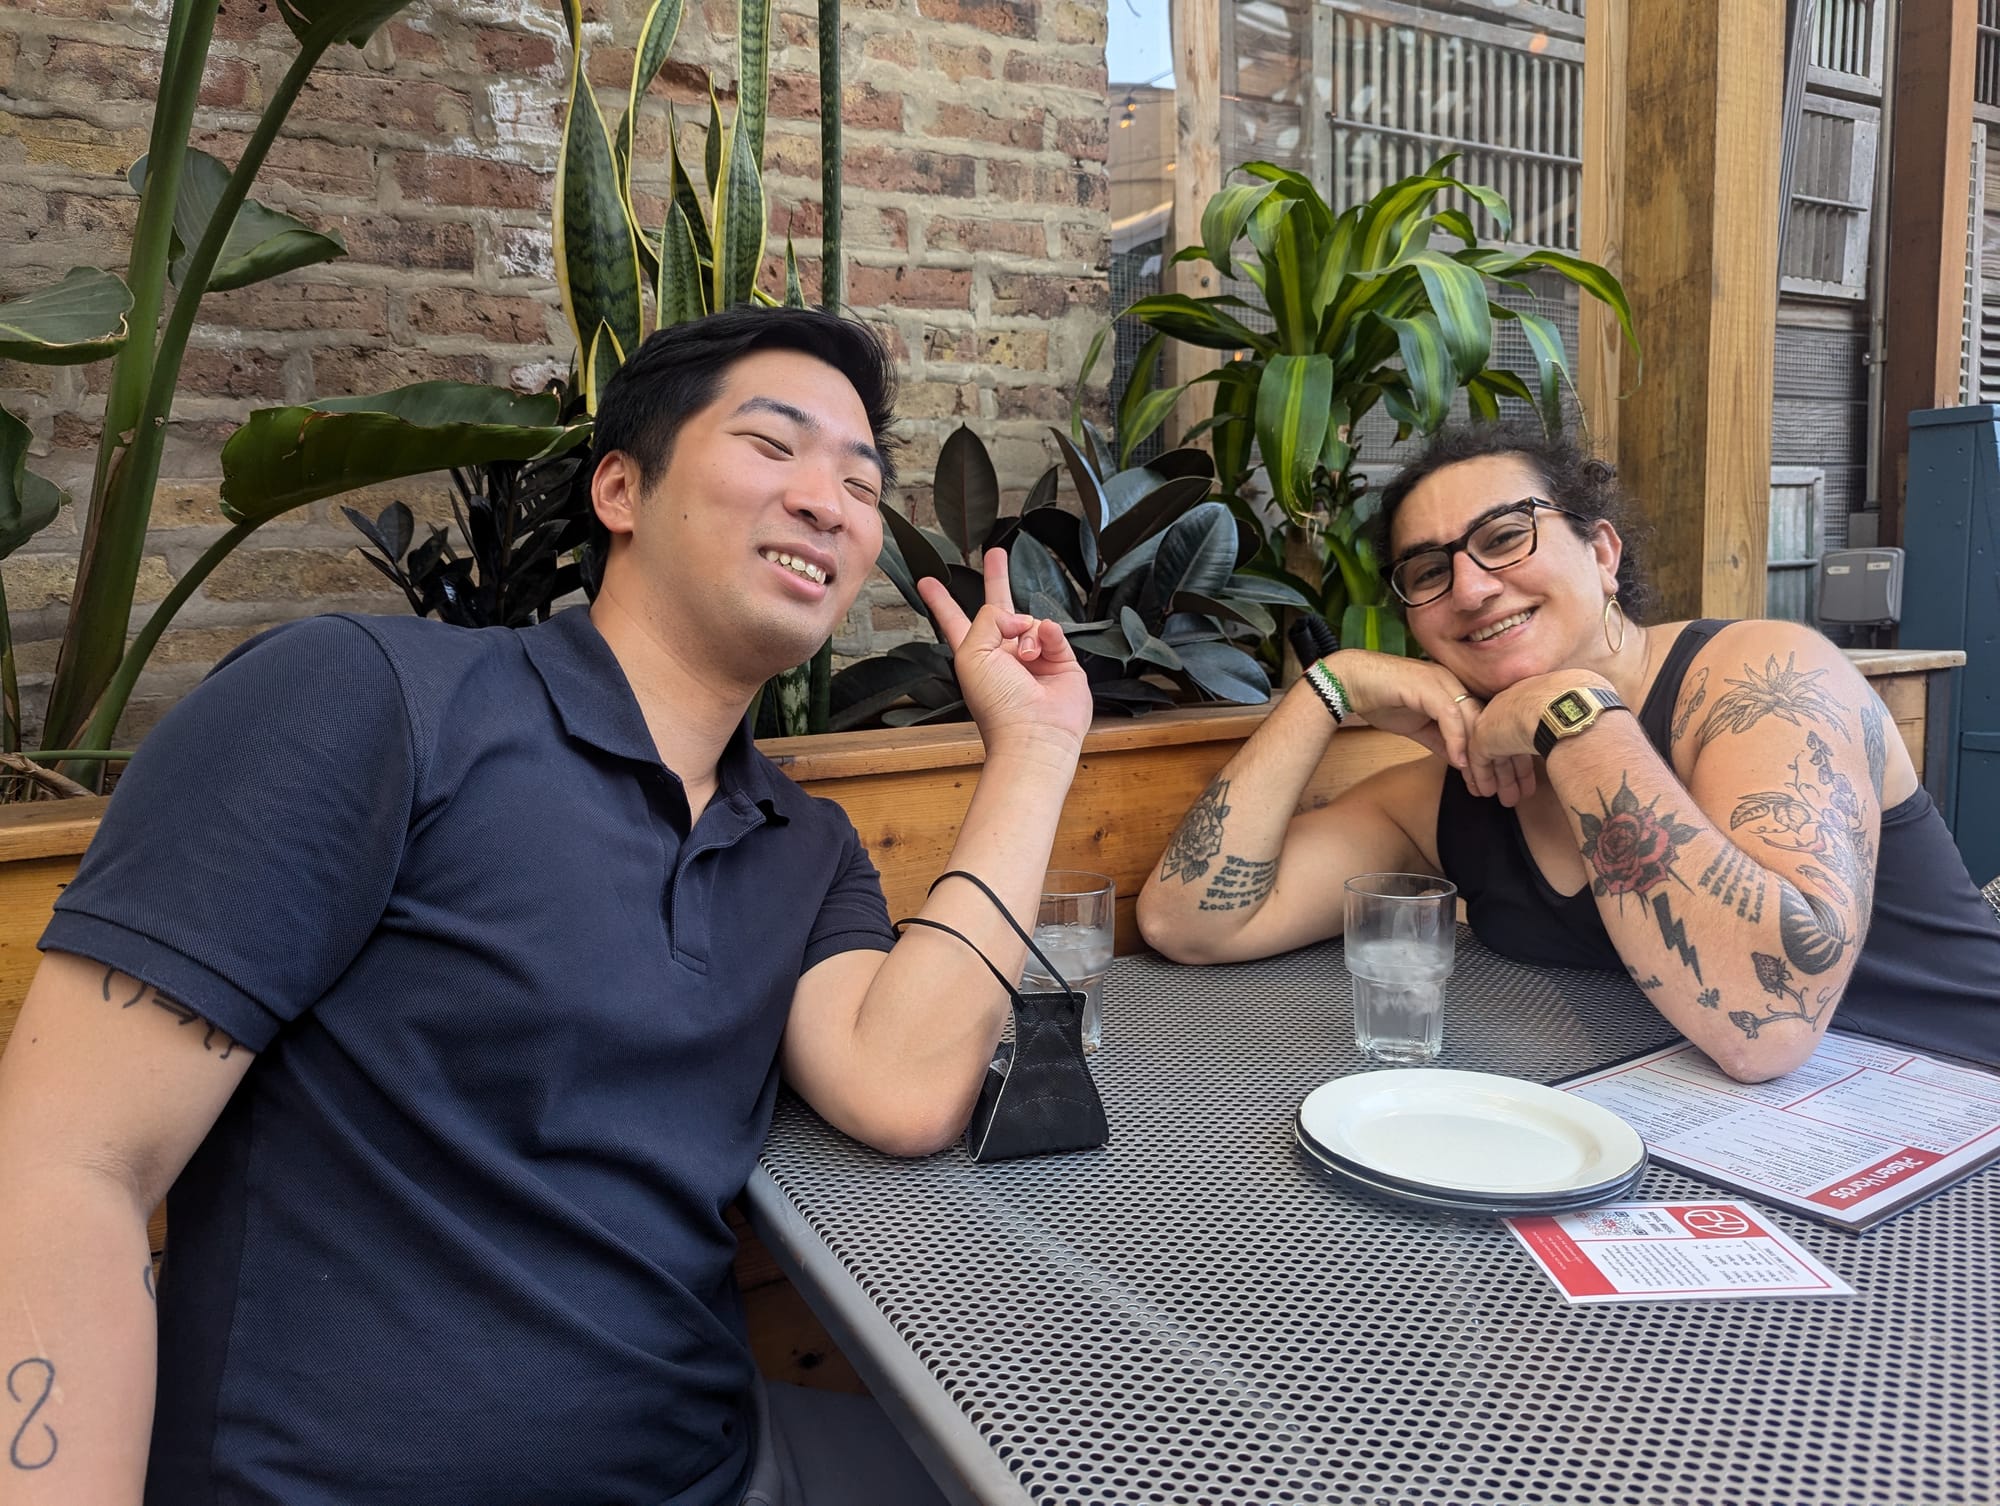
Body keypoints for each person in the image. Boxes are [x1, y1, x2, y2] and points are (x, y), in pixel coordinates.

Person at [0, 307, 1094, 1506]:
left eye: (859, 481)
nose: (826, 502)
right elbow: (66, 1168)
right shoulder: (368, 704)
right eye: (772, 446)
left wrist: (1034, 751)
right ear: (619, 489)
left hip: (718, 1470)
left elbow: (903, 1087)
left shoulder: (802, 844)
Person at [1138, 423, 2000, 1079]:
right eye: (1428, 572)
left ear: (1602, 552)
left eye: (1505, 536)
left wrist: (1573, 715)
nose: (1471, 586)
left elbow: (1767, 1026)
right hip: (1708, 1154)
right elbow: (1192, 924)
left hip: (1957, 1119)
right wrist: (1327, 689)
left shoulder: (1765, 679)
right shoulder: (1447, 796)